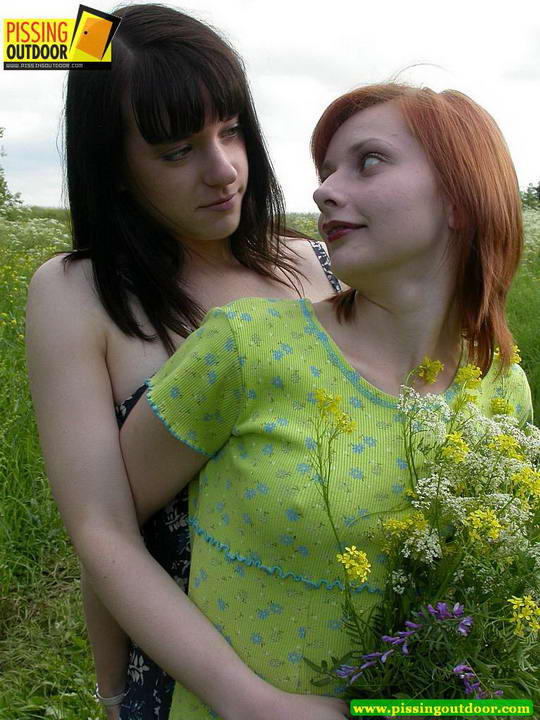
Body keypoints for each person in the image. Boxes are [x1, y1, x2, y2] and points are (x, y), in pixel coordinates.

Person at [118, 82, 531, 719]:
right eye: (326, 171)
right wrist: (246, 702)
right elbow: (109, 529)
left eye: (368, 161)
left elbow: (476, 606)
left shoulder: (502, 387)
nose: (324, 191)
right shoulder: (248, 345)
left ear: (461, 196)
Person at [25, 4, 341, 719]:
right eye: (176, 152)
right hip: (192, 678)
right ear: (114, 166)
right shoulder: (78, 295)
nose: (223, 170)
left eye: (230, 130)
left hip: (354, 651)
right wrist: (241, 700)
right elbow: (102, 532)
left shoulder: (314, 264)